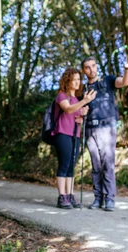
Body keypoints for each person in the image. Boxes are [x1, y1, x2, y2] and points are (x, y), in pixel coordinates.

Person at [81, 56, 128, 211]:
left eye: (93, 65)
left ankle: (110, 199)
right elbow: (80, 108)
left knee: (108, 165)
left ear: (97, 66)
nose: (91, 69)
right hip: (90, 129)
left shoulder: (107, 80)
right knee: (96, 165)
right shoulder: (83, 89)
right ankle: (98, 198)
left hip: (107, 128)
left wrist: (127, 69)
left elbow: (124, 82)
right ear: (83, 70)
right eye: (87, 67)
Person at [52, 68, 96, 209]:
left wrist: (82, 115)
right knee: (64, 165)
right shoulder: (62, 95)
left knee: (71, 166)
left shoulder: (77, 99)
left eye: (79, 79)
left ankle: (70, 195)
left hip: (74, 134)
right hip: (62, 133)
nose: (77, 82)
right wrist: (84, 101)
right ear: (68, 81)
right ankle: (62, 196)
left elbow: (76, 118)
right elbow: (69, 109)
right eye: (74, 79)